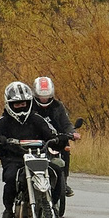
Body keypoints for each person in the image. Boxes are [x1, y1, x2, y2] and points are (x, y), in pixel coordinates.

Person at [0, 81, 61, 218]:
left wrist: (57, 140)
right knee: (11, 178)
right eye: (17, 104)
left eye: (24, 103)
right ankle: (7, 210)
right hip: (13, 160)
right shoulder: (3, 122)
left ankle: (53, 208)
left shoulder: (37, 119)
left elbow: (52, 134)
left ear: (29, 102)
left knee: (56, 171)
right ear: (9, 104)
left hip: (38, 157)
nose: (21, 106)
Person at [31, 75, 77, 209]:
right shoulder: (30, 106)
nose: (44, 99)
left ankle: (64, 182)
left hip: (56, 139)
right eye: (41, 96)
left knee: (66, 149)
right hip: (36, 140)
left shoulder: (58, 106)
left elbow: (66, 123)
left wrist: (72, 133)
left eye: (46, 96)